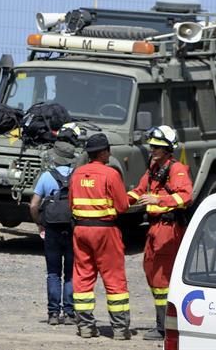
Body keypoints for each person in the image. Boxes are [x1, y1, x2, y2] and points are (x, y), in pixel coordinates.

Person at [127, 125, 193, 341]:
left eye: (157, 147)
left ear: (168, 149)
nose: (152, 149)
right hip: (155, 227)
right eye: (152, 146)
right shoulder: (154, 168)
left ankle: (165, 327)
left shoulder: (176, 169)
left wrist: (159, 200)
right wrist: (118, 199)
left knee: (162, 278)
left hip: (169, 228)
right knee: (150, 271)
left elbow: (185, 196)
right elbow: (139, 190)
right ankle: (162, 323)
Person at [69, 133, 131, 340]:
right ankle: (120, 329)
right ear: (103, 152)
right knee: (114, 278)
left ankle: (85, 326)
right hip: (105, 231)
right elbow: (123, 206)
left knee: (83, 277)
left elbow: (71, 204)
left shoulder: (77, 174)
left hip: (81, 231)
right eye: (108, 150)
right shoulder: (110, 174)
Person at [29, 126, 81, 326]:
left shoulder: (46, 176)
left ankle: (52, 314)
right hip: (72, 228)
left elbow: (34, 205)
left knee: (53, 272)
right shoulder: (78, 176)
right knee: (70, 272)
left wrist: (39, 224)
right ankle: (69, 313)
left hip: (51, 228)